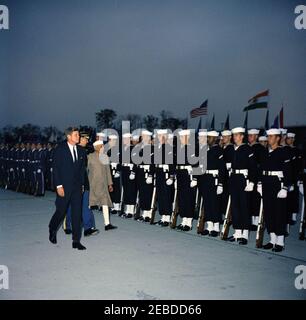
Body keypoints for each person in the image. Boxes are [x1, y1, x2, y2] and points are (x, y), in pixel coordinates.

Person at [48, 127, 87, 250]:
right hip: (64, 187)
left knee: (77, 214)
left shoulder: (81, 151)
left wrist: (82, 185)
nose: (79, 137)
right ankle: (52, 228)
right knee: (61, 211)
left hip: (76, 188)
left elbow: (81, 170)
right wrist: (58, 186)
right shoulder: (60, 150)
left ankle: (76, 240)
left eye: (79, 135)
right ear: (69, 136)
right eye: (76, 135)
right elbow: (56, 169)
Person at [258, 128, 292, 252]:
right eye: (268, 136)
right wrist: (260, 183)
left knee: (279, 213)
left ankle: (280, 241)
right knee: (268, 213)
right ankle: (272, 239)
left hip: (278, 185)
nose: (269, 139)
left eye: (272, 137)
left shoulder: (283, 152)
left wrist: (284, 187)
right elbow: (261, 169)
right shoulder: (265, 152)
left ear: (278, 138)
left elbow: (288, 171)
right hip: (266, 184)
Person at [64, 133, 100, 236]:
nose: (87, 141)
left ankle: (88, 228)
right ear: (79, 139)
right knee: (71, 206)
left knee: (85, 206)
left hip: (85, 183)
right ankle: (67, 224)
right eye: (85, 139)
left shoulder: (84, 152)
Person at [226, 127, 256, 245]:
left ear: (242, 136)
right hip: (233, 178)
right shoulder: (232, 149)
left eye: (237, 135)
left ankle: (245, 234)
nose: (235, 137)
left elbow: (253, 167)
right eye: (234, 135)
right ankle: (237, 232)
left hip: (244, 179)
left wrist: (252, 182)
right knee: (235, 206)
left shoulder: (248, 149)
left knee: (244, 206)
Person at [198, 131, 226, 237]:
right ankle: (209, 226)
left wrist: (220, 184)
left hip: (214, 179)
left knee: (215, 204)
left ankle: (216, 227)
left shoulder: (219, 151)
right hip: (206, 178)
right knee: (207, 203)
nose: (207, 139)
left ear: (214, 139)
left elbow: (222, 169)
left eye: (209, 137)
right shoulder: (205, 150)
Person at [87, 140, 117, 231]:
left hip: (103, 185)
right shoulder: (90, 157)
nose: (103, 147)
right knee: (89, 204)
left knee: (105, 203)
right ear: (98, 147)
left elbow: (108, 171)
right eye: (102, 146)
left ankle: (107, 224)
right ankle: (88, 225)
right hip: (92, 184)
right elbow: (86, 170)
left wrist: (110, 183)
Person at [176, 129, 197, 232]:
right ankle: (183, 220)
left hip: (189, 175)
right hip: (180, 175)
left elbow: (196, 164)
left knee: (189, 200)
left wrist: (195, 178)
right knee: (182, 199)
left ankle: (189, 222)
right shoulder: (180, 148)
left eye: (182, 137)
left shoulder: (193, 148)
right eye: (180, 137)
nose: (181, 139)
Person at [155, 130, 175, 227]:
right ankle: (163, 217)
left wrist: (171, 176)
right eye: (159, 136)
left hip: (166, 174)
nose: (160, 138)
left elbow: (172, 163)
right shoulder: (158, 147)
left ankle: (167, 217)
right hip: (159, 173)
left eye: (162, 136)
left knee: (166, 196)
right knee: (160, 196)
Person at [247, 129, 266, 231]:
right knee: (249, 199)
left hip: (257, 176)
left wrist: (259, 180)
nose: (249, 137)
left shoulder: (260, 148)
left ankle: (256, 221)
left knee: (256, 199)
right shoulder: (247, 147)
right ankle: (251, 220)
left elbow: (261, 165)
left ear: (256, 137)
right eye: (249, 135)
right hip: (248, 176)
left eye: (251, 136)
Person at [136, 130, 155, 222]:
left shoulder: (152, 149)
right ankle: (143, 213)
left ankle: (148, 214)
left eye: (144, 137)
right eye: (142, 137)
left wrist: (151, 175)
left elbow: (153, 163)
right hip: (140, 172)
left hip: (148, 173)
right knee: (142, 193)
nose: (142, 138)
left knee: (148, 193)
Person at [121, 133, 138, 218]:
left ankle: (131, 210)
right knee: (126, 190)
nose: (125, 140)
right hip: (124, 170)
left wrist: (133, 172)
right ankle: (127, 210)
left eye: (127, 138)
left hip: (131, 171)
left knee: (131, 190)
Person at [107, 134, 122, 215]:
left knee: (116, 188)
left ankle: (117, 205)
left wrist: (118, 171)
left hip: (116, 170)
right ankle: (112, 205)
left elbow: (121, 161)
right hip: (109, 170)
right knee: (110, 188)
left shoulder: (119, 150)